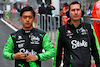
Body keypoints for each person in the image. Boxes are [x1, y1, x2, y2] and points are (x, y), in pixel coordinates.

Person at [53, 1, 100, 67]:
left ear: (82, 12)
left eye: (78, 10)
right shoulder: (62, 30)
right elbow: (58, 53)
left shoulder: (89, 27)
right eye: (73, 10)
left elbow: (96, 50)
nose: (76, 12)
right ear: (68, 13)